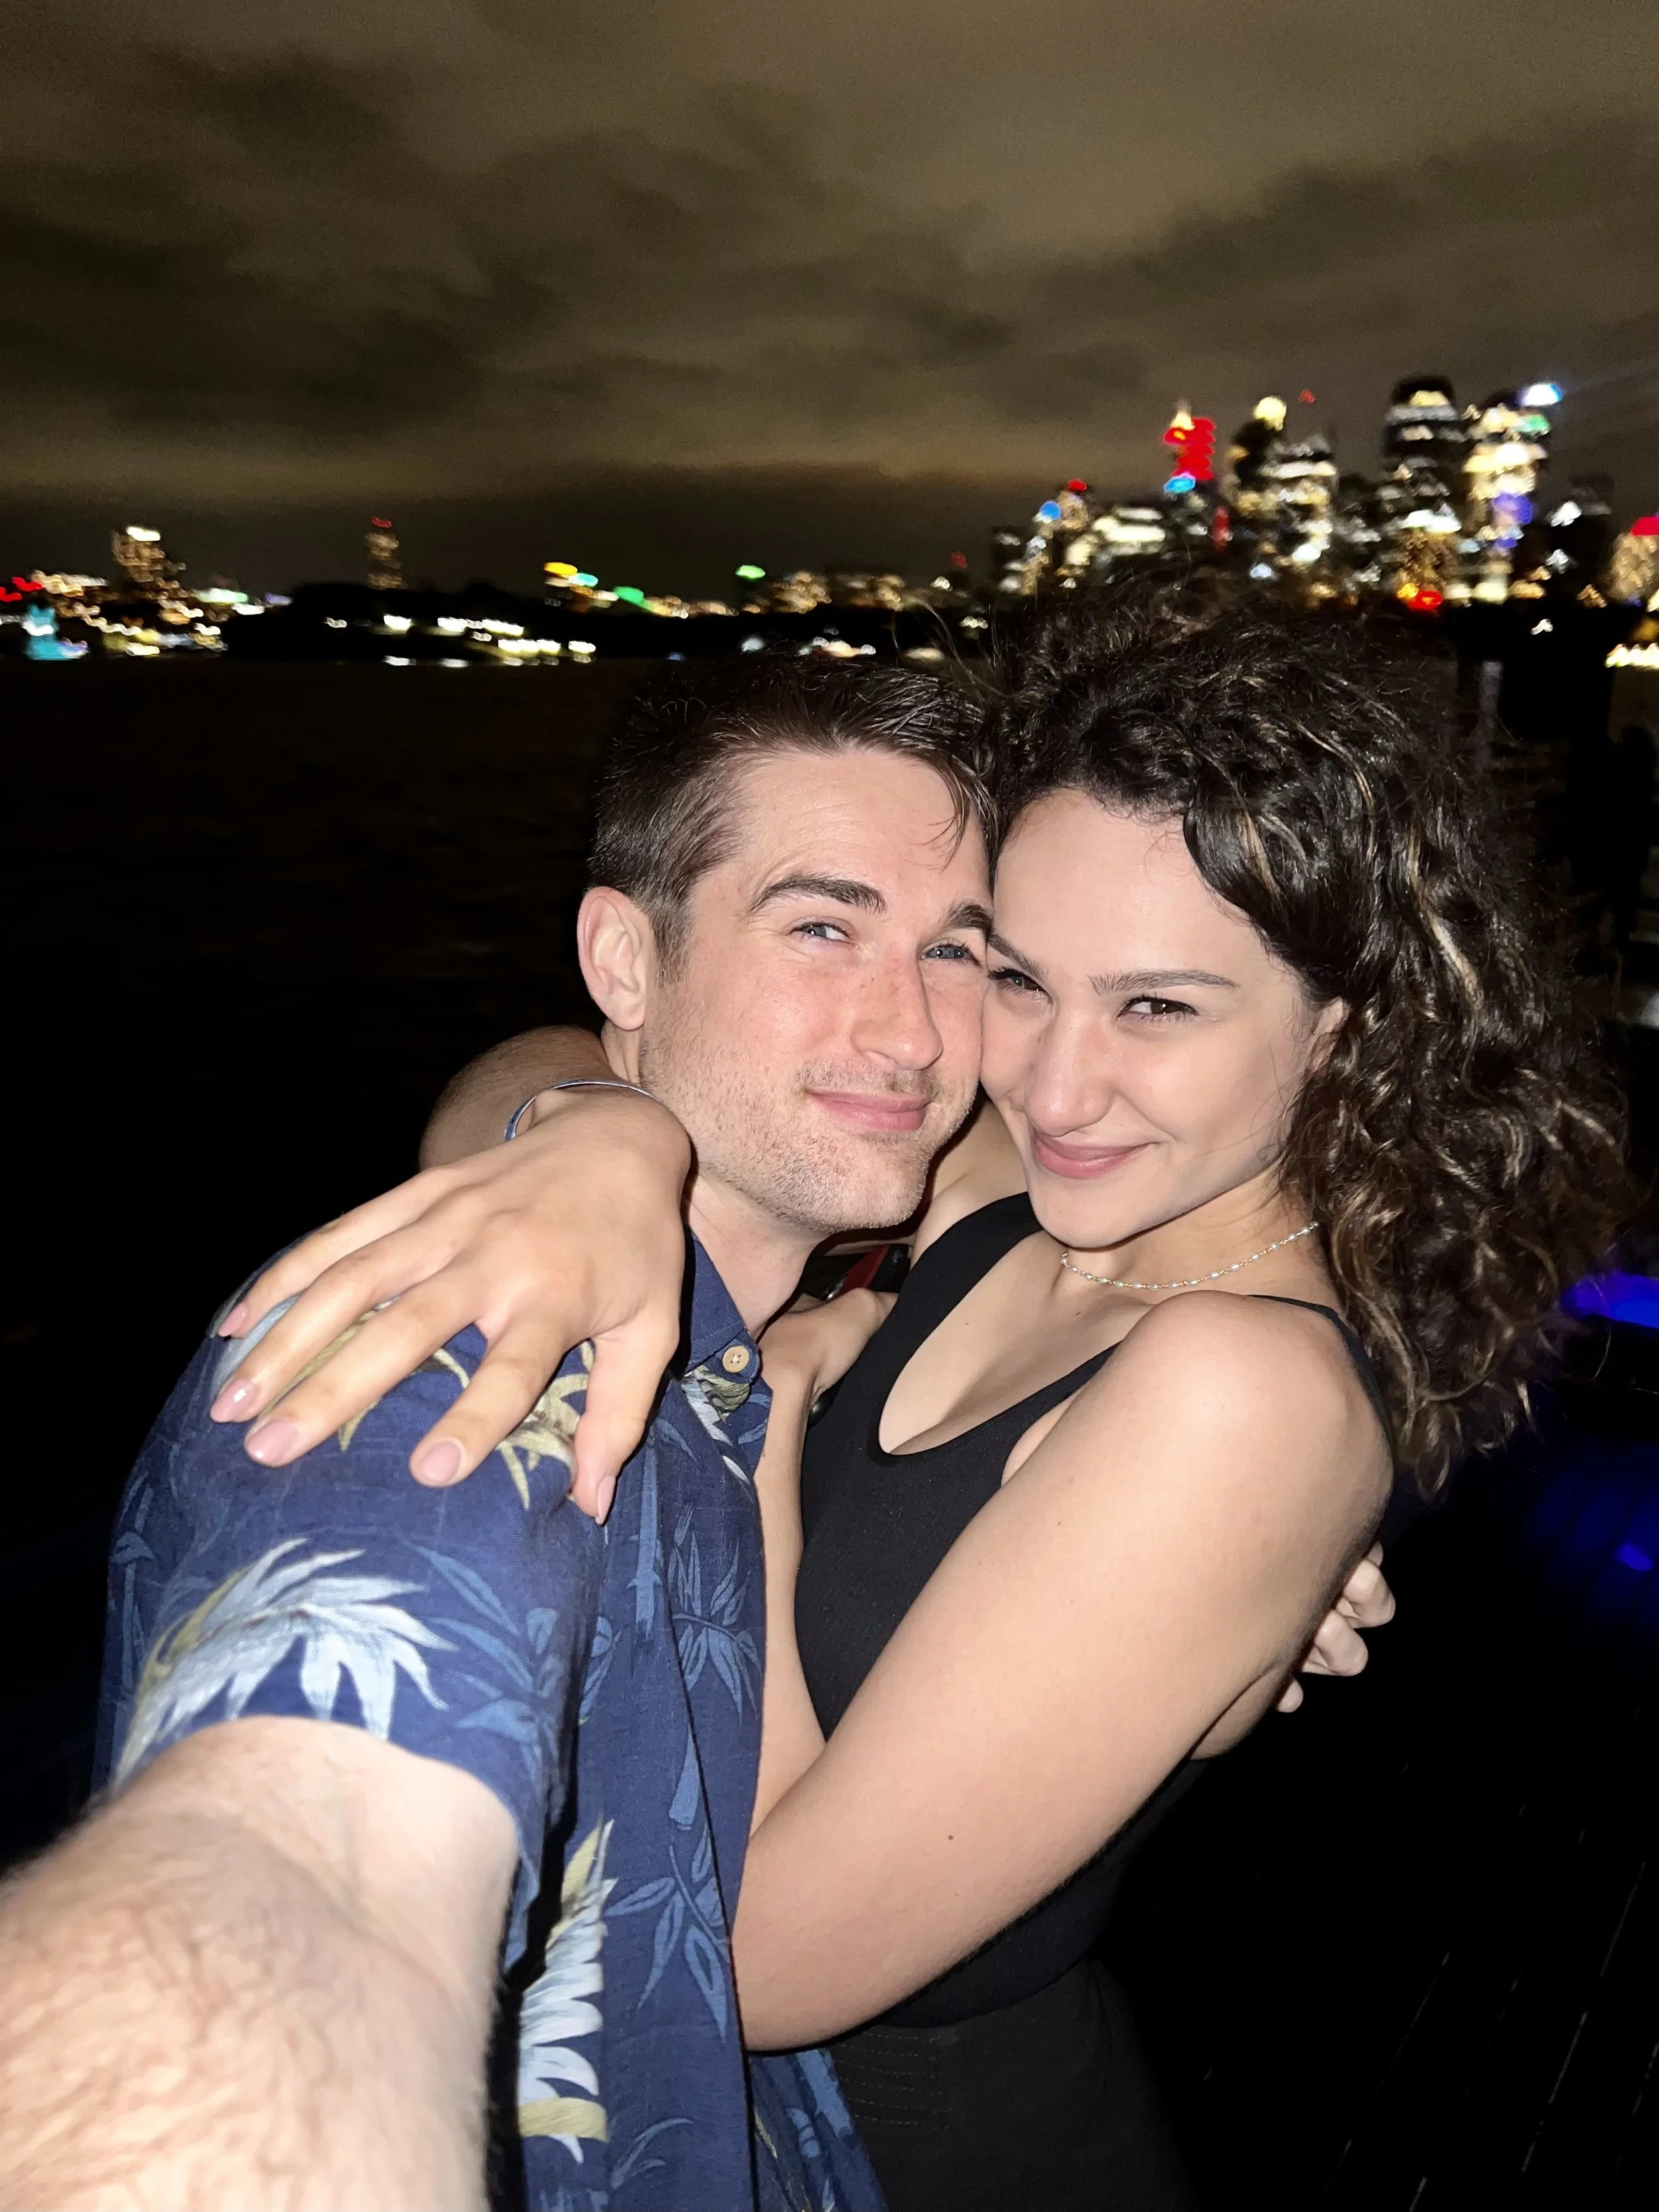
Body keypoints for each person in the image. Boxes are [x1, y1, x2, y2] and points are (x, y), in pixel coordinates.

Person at [196, 596, 1630, 2207]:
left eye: (1158, 1004)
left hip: (928, 2155)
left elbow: (744, 1962)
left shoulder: (1244, 1391)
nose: (1053, 1078)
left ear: (1338, 1024)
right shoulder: (1019, 1183)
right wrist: (589, 1140)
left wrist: (756, 1417)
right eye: (1015, 976)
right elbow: (585, 1054)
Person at [0, 657, 1011, 2212]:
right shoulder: (449, 1382)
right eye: (822, 925)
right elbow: (315, 1866)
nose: (913, 1030)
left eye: (956, 950)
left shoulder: (746, 1343)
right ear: (623, 952)